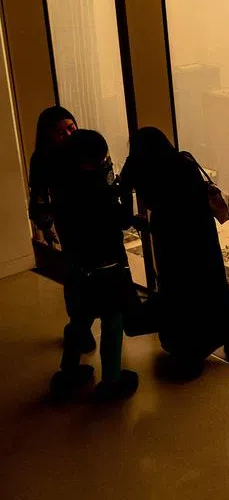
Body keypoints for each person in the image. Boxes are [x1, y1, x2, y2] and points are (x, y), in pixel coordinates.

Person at [121, 127, 229, 370]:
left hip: (168, 235)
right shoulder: (182, 162)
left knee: (178, 287)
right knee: (213, 280)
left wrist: (135, 219)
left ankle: (187, 340)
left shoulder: (137, 167)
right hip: (198, 231)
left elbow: (124, 196)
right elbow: (197, 192)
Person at [49, 129, 139, 401]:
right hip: (106, 268)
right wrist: (122, 191)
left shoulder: (62, 185)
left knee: (80, 319)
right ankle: (111, 380)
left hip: (77, 267)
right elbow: (123, 221)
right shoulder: (98, 191)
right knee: (112, 321)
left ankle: (68, 371)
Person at [28, 106, 97, 355]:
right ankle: (80, 327)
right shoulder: (45, 160)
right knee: (77, 278)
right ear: (49, 136)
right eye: (60, 132)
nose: (68, 135)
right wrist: (47, 228)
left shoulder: (87, 150)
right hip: (70, 225)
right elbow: (39, 197)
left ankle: (81, 327)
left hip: (95, 223)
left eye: (71, 127)